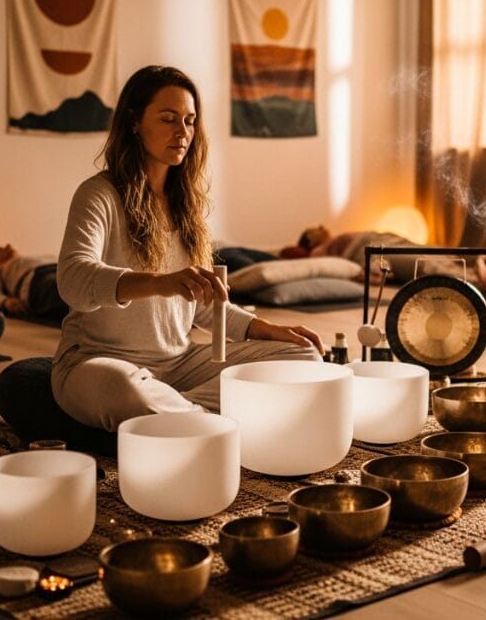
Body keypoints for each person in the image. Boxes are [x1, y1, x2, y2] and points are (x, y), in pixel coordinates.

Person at [52, 65, 324, 432]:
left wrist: (266, 328)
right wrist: (162, 282)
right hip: (102, 363)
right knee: (126, 392)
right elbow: (73, 280)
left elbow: (204, 308)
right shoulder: (98, 194)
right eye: (168, 119)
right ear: (134, 122)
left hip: (179, 367)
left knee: (303, 355)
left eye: (190, 121)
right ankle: (211, 423)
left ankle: (186, 422)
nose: (183, 133)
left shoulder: (186, 204)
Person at [288, 225, 486, 296]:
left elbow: (327, 265)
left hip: (378, 245)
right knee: (429, 258)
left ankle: (485, 273)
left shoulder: (324, 246)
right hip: (380, 243)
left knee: (426, 261)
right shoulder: (333, 241)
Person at [0, 244, 68, 319]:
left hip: (65, 269)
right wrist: (5, 301)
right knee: (68, 290)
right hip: (39, 279)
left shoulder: (33, 258)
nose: (9, 246)